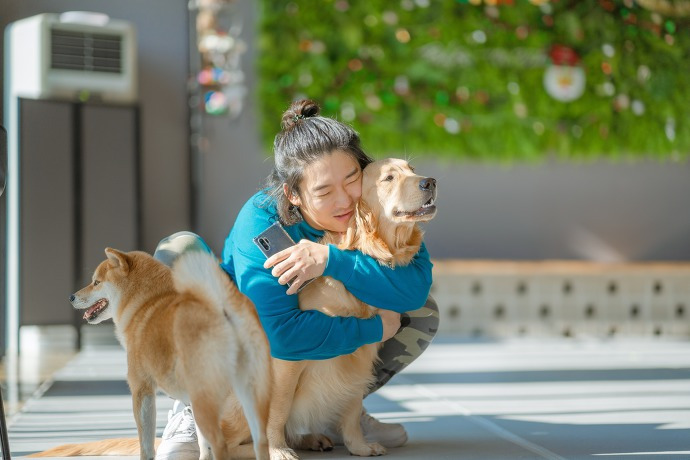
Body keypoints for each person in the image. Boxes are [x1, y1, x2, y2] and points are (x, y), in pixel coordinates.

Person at [154, 99, 439, 460]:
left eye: (351, 179)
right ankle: (194, 408)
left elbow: (414, 288)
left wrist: (332, 259)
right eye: (323, 191)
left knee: (422, 313)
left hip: (310, 357)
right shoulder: (262, 223)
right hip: (242, 337)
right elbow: (281, 337)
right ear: (293, 194)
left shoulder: (375, 200)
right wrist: (372, 330)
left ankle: (333, 412)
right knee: (177, 251)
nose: (345, 201)